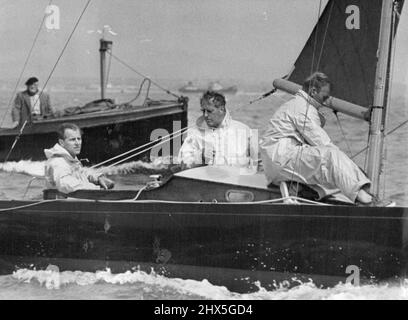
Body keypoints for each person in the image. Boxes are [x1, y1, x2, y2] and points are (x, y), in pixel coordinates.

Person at [260, 72, 374, 205]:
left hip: (276, 163)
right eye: (324, 97)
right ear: (313, 91)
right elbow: (323, 143)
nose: (326, 102)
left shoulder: (296, 104)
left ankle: (300, 188)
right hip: (282, 159)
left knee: (330, 169)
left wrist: (350, 169)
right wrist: (353, 168)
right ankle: (366, 199)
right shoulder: (302, 107)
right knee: (331, 156)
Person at [178, 91, 257, 169]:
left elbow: (256, 164)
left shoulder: (244, 130)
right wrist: (200, 157)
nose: (205, 115)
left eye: (209, 111)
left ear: (221, 109)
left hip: (237, 180)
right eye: (203, 111)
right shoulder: (194, 134)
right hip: (205, 180)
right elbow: (183, 165)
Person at [44, 123, 114, 194]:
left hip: (75, 201)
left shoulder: (70, 158)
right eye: (72, 140)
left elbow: (82, 173)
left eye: (79, 139)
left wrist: (98, 178)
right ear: (62, 142)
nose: (77, 143)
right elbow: (66, 184)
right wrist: (95, 188)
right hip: (62, 203)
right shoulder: (58, 162)